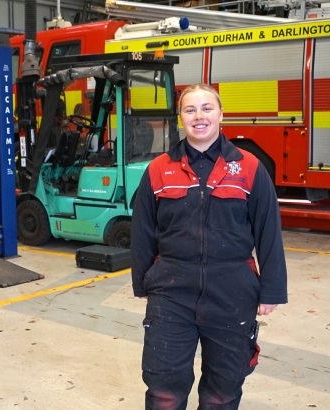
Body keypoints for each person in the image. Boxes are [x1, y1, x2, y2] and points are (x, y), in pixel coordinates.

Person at [131, 83, 288, 409]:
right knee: (163, 387)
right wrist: (142, 281)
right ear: (180, 118)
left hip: (232, 289)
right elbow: (143, 229)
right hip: (171, 291)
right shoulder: (159, 169)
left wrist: (271, 290)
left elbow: (268, 230)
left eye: (206, 108)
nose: (198, 116)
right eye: (190, 110)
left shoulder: (249, 167)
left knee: (224, 389)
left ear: (220, 115)